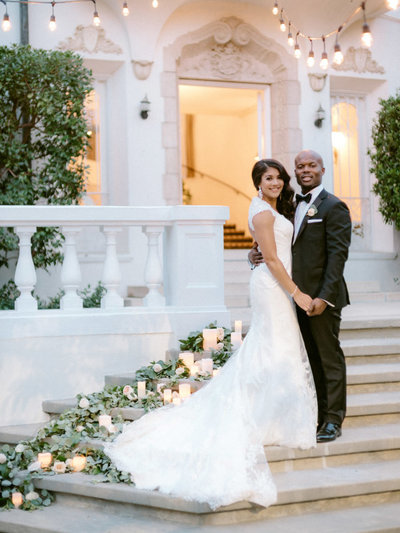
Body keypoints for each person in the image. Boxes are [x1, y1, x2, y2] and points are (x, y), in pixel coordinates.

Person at [105, 159, 317, 510]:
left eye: (279, 177)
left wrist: (266, 265)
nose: (276, 183)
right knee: (273, 345)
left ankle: (274, 413)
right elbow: (274, 260)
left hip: (273, 284)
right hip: (274, 287)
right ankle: (268, 415)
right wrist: (297, 293)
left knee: (274, 346)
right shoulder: (263, 213)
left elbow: (267, 254)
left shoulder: (270, 208)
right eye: (269, 178)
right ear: (258, 182)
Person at [249, 150, 352, 443]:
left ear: (322, 169)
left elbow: (337, 259)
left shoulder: (334, 207)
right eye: (300, 166)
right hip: (290, 297)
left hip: (319, 299)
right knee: (308, 359)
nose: (305, 170)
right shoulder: (287, 205)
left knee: (328, 358)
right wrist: (253, 253)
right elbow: (276, 246)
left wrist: (323, 298)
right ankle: (316, 416)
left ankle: (333, 420)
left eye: (311, 165)